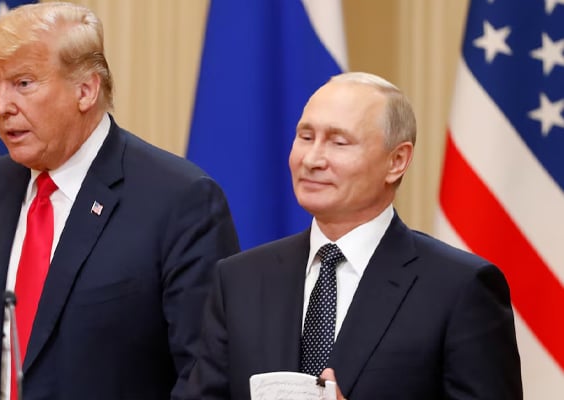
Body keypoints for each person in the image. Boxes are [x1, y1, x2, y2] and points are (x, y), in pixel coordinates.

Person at [0, 3, 239, 399]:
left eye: (23, 83)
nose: (2, 105)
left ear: (86, 90)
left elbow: (206, 378)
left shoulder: (180, 200)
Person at [188, 72, 522, 399]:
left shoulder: (459, 287)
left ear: (397, 161)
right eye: (305, 137)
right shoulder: (239, 279)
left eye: (338, 142)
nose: (312, 159)